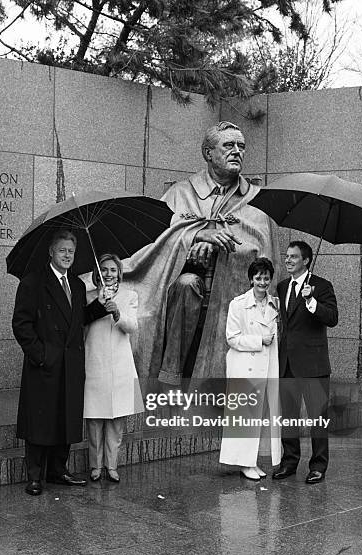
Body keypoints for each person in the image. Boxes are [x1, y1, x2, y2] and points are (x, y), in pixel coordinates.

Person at [121, 121, 280, 385]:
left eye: (241, 146)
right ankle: (169, 378)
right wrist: (194, 238)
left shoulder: (255, 200)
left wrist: (219, 247)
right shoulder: (180, 192)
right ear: (208, 153)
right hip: (185, 283)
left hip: (235, 289)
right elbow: (155, 242)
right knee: (185, 286)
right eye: (228, 145)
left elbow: (262, 254)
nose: (237, 152)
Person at [12, 230, 114, 496]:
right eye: (62, 251)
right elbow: (21, 324)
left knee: (65, 418)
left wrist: (100, 306)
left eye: (71, 251)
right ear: (51, 252)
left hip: (70, 364)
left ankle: (58, 470)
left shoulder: (78, 286)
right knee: (40, 420)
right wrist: (41, 355)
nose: (67, 255)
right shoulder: (33, 282)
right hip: (44, 365)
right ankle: (35, 476)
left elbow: (77, 320)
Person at [272, 240, 338, 484]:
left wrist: (312, 303)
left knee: (317, 418)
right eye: (287, 256)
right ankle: (289, 462)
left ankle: (318, 466)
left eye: (294, 257)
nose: (288, 260)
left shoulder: (322, 286)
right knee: (288, 417)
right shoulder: (281, 287)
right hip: (287, 363)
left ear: (306, 261)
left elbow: (332, 318)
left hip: (314, 365)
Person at [83, 253, 144, 483]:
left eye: (112, 270)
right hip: (95, 362)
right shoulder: (88, 296)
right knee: (95, 419)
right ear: (96, 274)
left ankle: (112, 465)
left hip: (120, 365)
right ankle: (95, 466)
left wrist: (117, 312)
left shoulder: (130, 296)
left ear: (119, 272)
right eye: (104, 270)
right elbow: (82, 323)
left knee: (116, 419)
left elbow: (133, 326)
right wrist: (98, 305)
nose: (108, 274)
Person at [219, 257, 281, 480]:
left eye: (266, 278)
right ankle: (243, 463)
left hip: (266, 366)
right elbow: (232, 338)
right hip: (244, 367)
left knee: (259, 417)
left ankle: (252, 461)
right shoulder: (238, 304)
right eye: (258, 278)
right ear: (251, 279)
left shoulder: (275, 304)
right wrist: (259, 340)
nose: (262, 282)